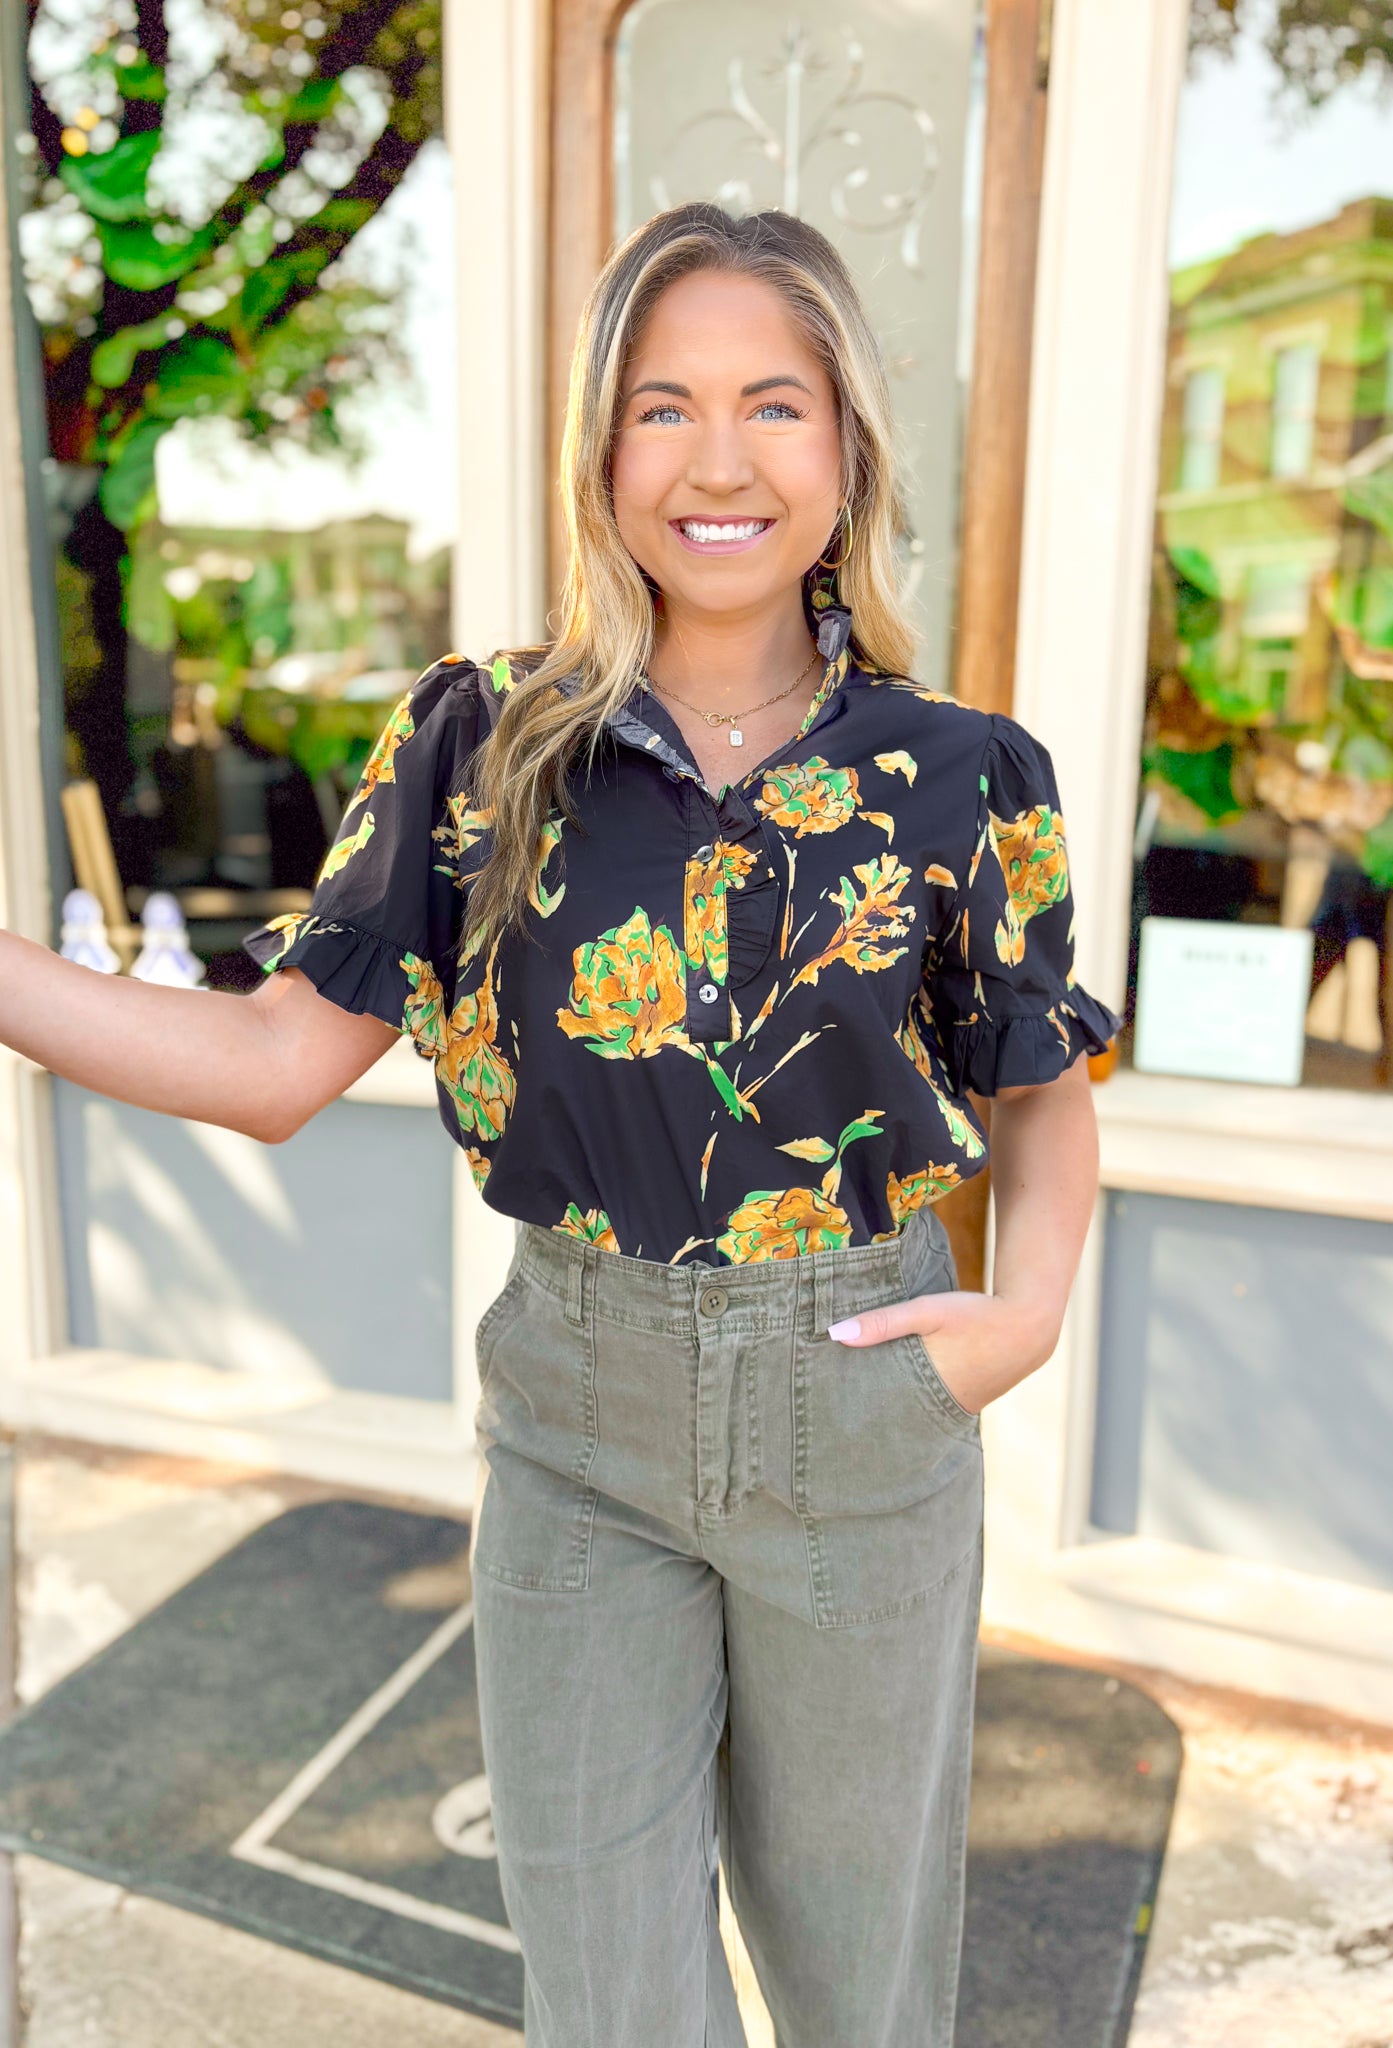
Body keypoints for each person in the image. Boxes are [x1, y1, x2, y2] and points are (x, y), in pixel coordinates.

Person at [0, 202, 1119, 2045]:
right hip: (579, 1422)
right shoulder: (481, 740)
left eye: (775, 402)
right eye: (661, 407)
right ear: (600, 451)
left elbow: (1037, 1085)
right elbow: (274, 1066)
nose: (718, 459)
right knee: (606, 2000)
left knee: (862, 1995)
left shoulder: (958, 772)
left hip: (858, 1390)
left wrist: (1022, 1318)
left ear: (845, 445)